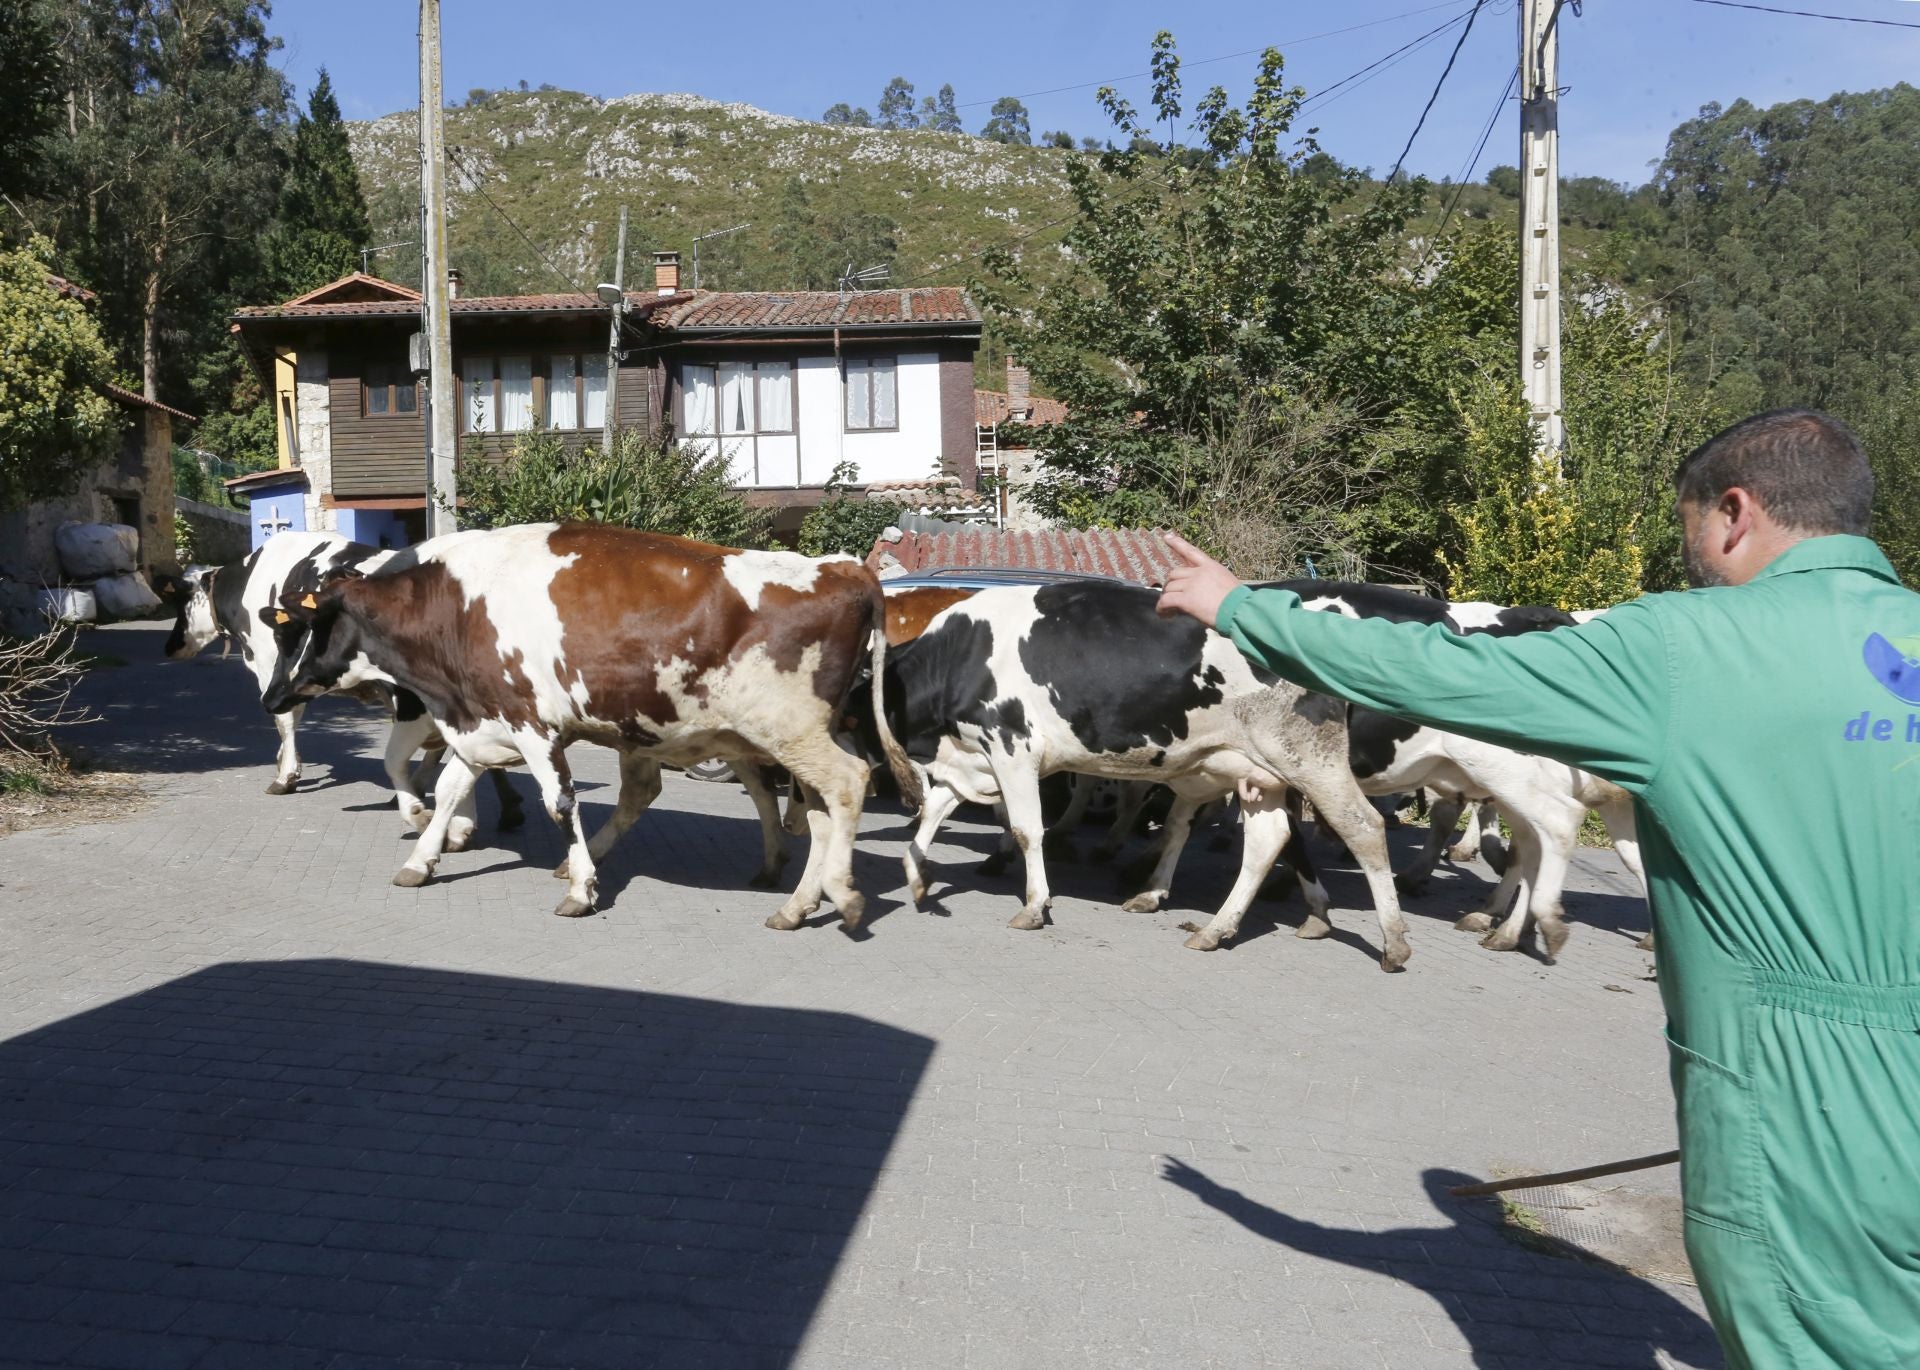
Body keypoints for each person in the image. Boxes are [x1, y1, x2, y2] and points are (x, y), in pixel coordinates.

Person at [1154, 409, 1920, 1370]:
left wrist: (1243, 606)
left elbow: (1440, 672)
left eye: (1689, 533)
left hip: (1799, 1094)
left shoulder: (1684, 648)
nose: (1692, 561)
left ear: (1735, 513)